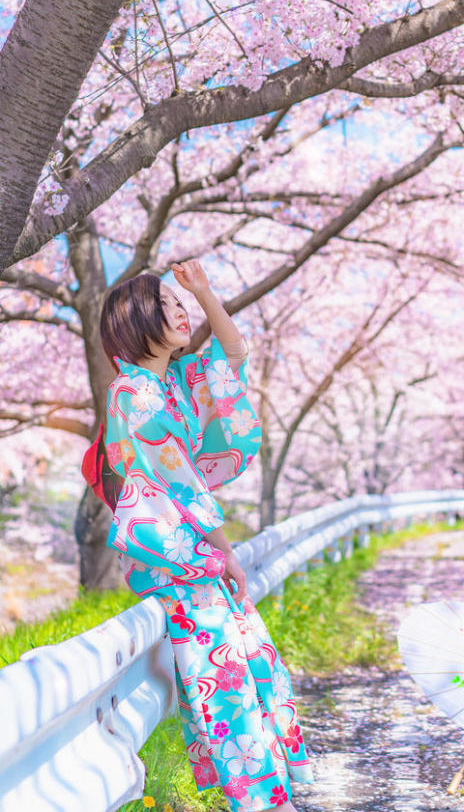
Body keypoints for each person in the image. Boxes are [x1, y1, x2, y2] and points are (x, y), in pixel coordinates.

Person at [85, 260, 313, 812]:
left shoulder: (171, 383)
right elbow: (179, 483)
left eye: (178, 304)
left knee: (244, 663)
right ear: (135, 321)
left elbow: (231, 357)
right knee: (225, 674)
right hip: (168, 550)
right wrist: (226, 550)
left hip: (189, 548)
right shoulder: (133, 394)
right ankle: (257, 799)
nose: (179, 312)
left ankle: (268, 792)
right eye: (165, 306)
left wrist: (205, 293)